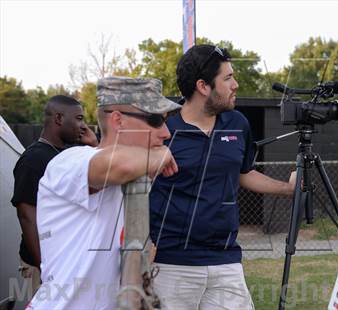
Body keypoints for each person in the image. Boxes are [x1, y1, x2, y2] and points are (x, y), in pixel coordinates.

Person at [150, 44, 296, 309]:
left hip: (226, 260)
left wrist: (287, 188)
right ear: (203, 86)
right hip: (171, 263)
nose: (235, 84)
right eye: (228, 78)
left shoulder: (237, 123)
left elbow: (244, 173)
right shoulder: (164, 131)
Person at [26, 77, 180, 309]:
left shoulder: (134, 179)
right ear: (118, 119)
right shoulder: (70, 161)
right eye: (156, 120)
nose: (166, 133)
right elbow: (120, 165)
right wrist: (161, 156)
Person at [11, 95, 98, 297]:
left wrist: (94, 145)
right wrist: (46, 266)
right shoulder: (33, 159)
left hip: (64, 263)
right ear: (59, 118)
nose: (83, 125)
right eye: (78, 118)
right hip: (43, 266)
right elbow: (26, 215)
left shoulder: (67, 153)